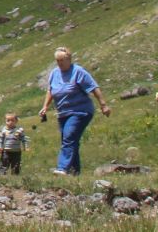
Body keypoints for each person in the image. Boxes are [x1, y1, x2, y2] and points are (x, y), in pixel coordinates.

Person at [35, 47, 111, 175]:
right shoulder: (54, 73)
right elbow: (50, 90)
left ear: (69, 59)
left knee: (69, 137)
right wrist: (45, 106)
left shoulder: (78, 71)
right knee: (70, 141)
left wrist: (103, 105)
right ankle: (74, 172)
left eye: (62, 60)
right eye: (57, 60)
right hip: (63, 113)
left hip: (80, 112)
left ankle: (62, 168)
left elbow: (94, 87)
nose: (60, 63)